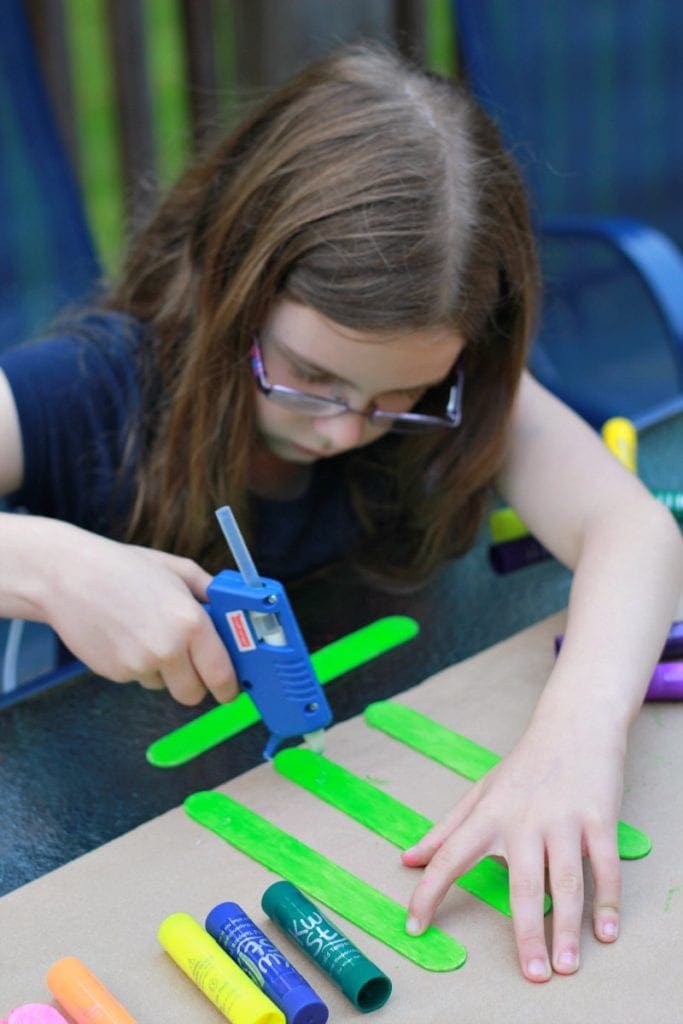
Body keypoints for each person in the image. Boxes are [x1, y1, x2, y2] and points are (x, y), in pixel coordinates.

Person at [0, 43, 681, 984]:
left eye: (399, 394)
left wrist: (574, 740)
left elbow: (633, 528)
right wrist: (40, 563)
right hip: (127, 821)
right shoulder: (96, 387)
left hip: (378, 732)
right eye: (307, 377)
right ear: (228, 277)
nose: (344, 429)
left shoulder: (458, 388)